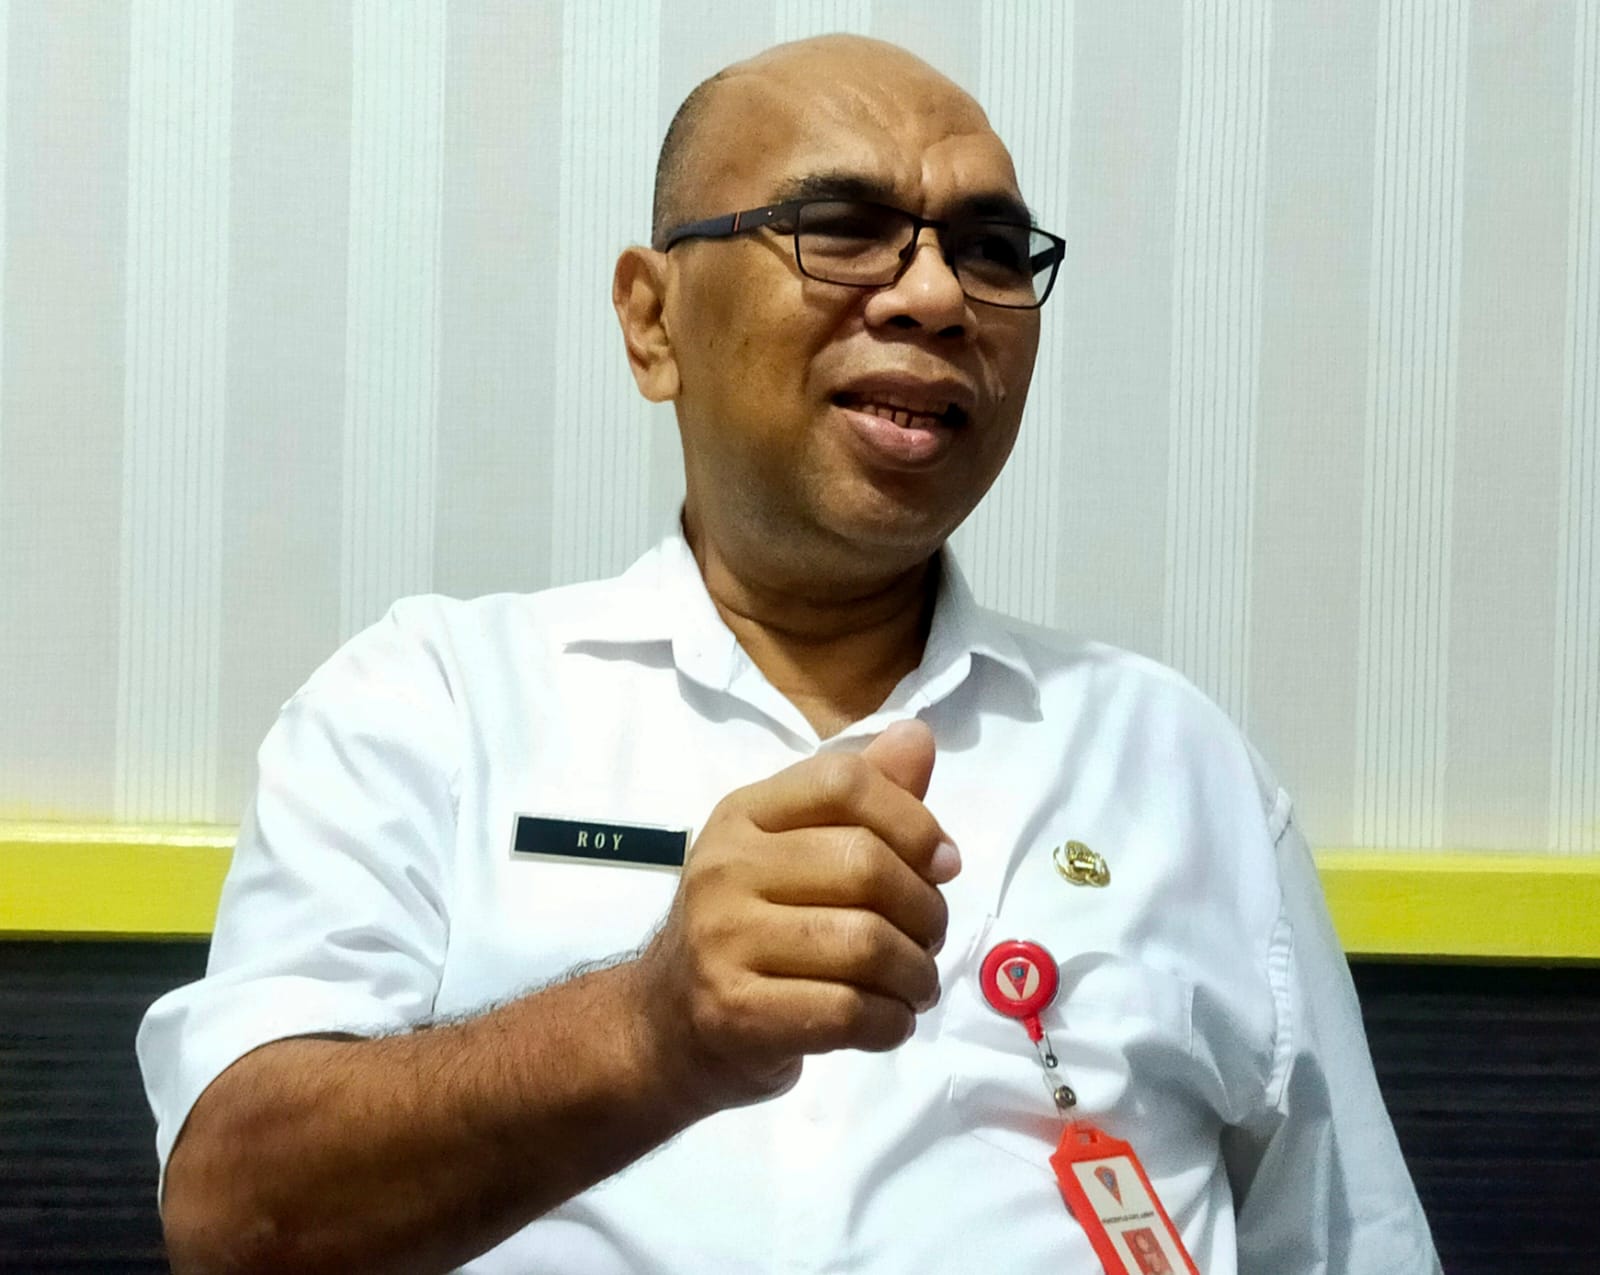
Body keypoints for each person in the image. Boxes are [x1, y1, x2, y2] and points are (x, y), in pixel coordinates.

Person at [138, 34, 1440, 1275]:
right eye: (843, 228)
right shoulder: (429, 704)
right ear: (653, 322)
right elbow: (234, 1222)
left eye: (990, 250)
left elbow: (1351, 1245)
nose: (937, 296)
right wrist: (650, 1029)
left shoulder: (1176, 763)